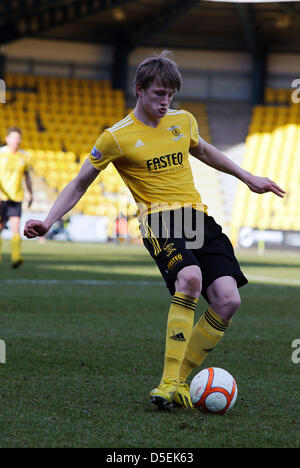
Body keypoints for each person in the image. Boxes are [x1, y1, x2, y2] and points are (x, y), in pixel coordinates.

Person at [23, 51, 285, 409]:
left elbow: (206, 152)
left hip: (196, 217)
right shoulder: (116, 137)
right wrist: (48, 221)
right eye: (159, 94)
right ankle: (168, 382)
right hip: (159, 220)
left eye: (171, 95)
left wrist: (248, 177)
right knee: (190, 278)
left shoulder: (183, 121)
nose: (166, 102)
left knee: (228, 300)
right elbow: (80, 182)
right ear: (140, 90)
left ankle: (178, 380)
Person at [0, 127, 33, 268]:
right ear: (7, 139)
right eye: (13, 137)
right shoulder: (1, 154)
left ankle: (16, 257)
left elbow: (27, 177)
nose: (16, 141)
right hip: (1, 197)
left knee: (16, 227)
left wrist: (31, 193)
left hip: (16, 198)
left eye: (18, 138)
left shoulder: (24, 156)